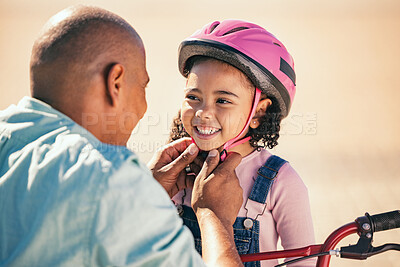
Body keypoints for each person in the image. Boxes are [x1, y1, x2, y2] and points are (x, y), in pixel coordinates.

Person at [0, 6, 245, 267]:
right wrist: (213, 216)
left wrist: (145, 195)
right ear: (115, 82)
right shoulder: (111, 177)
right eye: (142, 86)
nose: (144, 107)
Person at [169, 20, 315, 266]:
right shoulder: (172, 170)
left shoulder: (280, 181)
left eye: (223, 100)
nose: (203, 112)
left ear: (258, 112)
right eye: (193, 97)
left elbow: (305, 262)